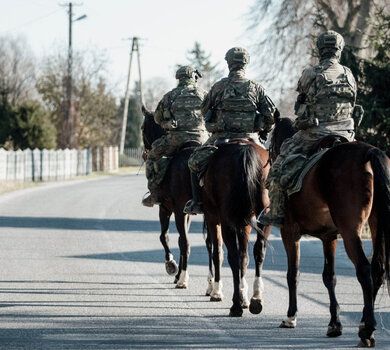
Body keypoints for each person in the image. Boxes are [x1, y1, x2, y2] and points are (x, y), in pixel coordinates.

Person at [259, 30, 361, 227]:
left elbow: (302, 104)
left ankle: (277, 212)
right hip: (346, 134)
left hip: (316, 134)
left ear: (320, 49)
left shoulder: (311, 73)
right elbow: (353, 104)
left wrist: (302, 122)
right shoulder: (349, 74)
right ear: (339, 50)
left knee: (278, 169)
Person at [184, 47, 276, 214]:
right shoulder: (256, 87)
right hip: (251, 138)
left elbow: (204, 110)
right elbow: (270, 113)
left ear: (228, 63)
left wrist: (213, 121)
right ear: (245, 63)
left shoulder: (218, 87)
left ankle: (197, 202)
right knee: (274, 166)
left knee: (193, 162)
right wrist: (264, 129)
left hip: (220, 138)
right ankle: (275, 204)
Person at [142, 66, 208, 207]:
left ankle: (154, 193)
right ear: (193, 77)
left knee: (152, 156)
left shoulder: (170, 96)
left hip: (176, 139)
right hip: (202, 139)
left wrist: (168, 123)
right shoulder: (204, 94)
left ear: (179, 78)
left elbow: (157, 119)